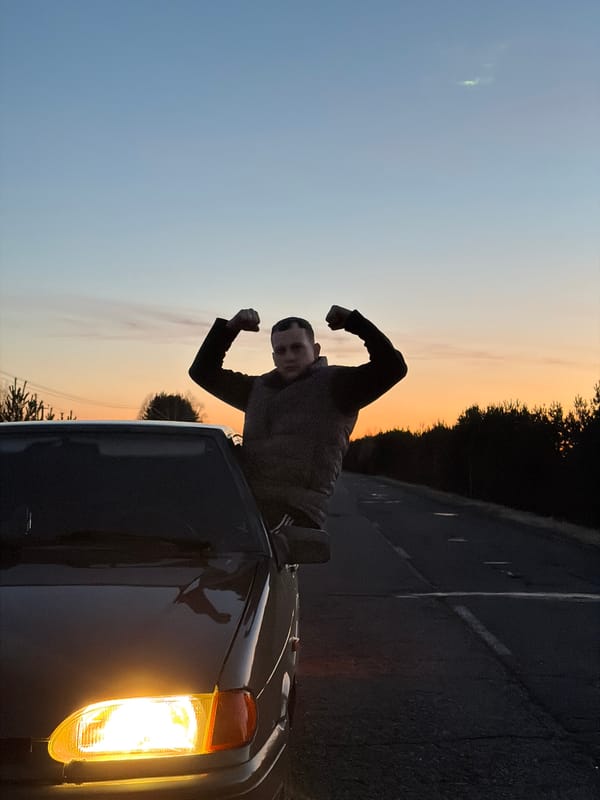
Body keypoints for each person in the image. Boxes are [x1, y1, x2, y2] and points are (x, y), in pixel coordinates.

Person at [188, 305, 407, 532]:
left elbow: (392, 367)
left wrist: (355, 323)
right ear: (273, 357)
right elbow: (202, 372)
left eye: (297, 348)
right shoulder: (257, 389)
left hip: (295, 511)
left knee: (244, 543)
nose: (289, 357)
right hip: (247, 502)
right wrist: (230, 328)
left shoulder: (338, 387)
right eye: (281, 351)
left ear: (315, 349)